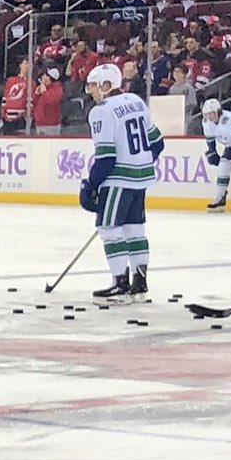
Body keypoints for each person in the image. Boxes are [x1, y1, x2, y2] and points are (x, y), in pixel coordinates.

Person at [79, 62, 163, 300]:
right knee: (134, 229)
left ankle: (120, 282)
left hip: (119, 178)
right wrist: (140, 161)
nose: (90, 91)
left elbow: (106, 159)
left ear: (107, 85)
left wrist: (91, 185)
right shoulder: (136, 101)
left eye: (93, 85)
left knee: (108, 229)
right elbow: (157, 143)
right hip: (141, 178)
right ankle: (140, 282)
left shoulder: (101, 111)